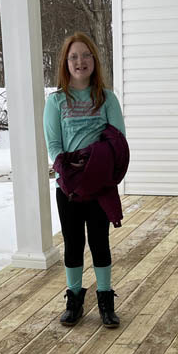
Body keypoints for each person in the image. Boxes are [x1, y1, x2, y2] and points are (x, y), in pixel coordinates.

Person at [43, 32, 126, 328]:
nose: (81, 61)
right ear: (66, 63)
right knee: (73, 243)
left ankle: (105, 299)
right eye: (74, 56)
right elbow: (53, 144)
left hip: (100, 185)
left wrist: (96, 161)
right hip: (69, 187)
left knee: (100, 242)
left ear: (94, 60)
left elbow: (118, 142)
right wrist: (67, 172)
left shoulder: (106, 98)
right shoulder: (56, 101)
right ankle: (75, 298)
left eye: (86, 55)